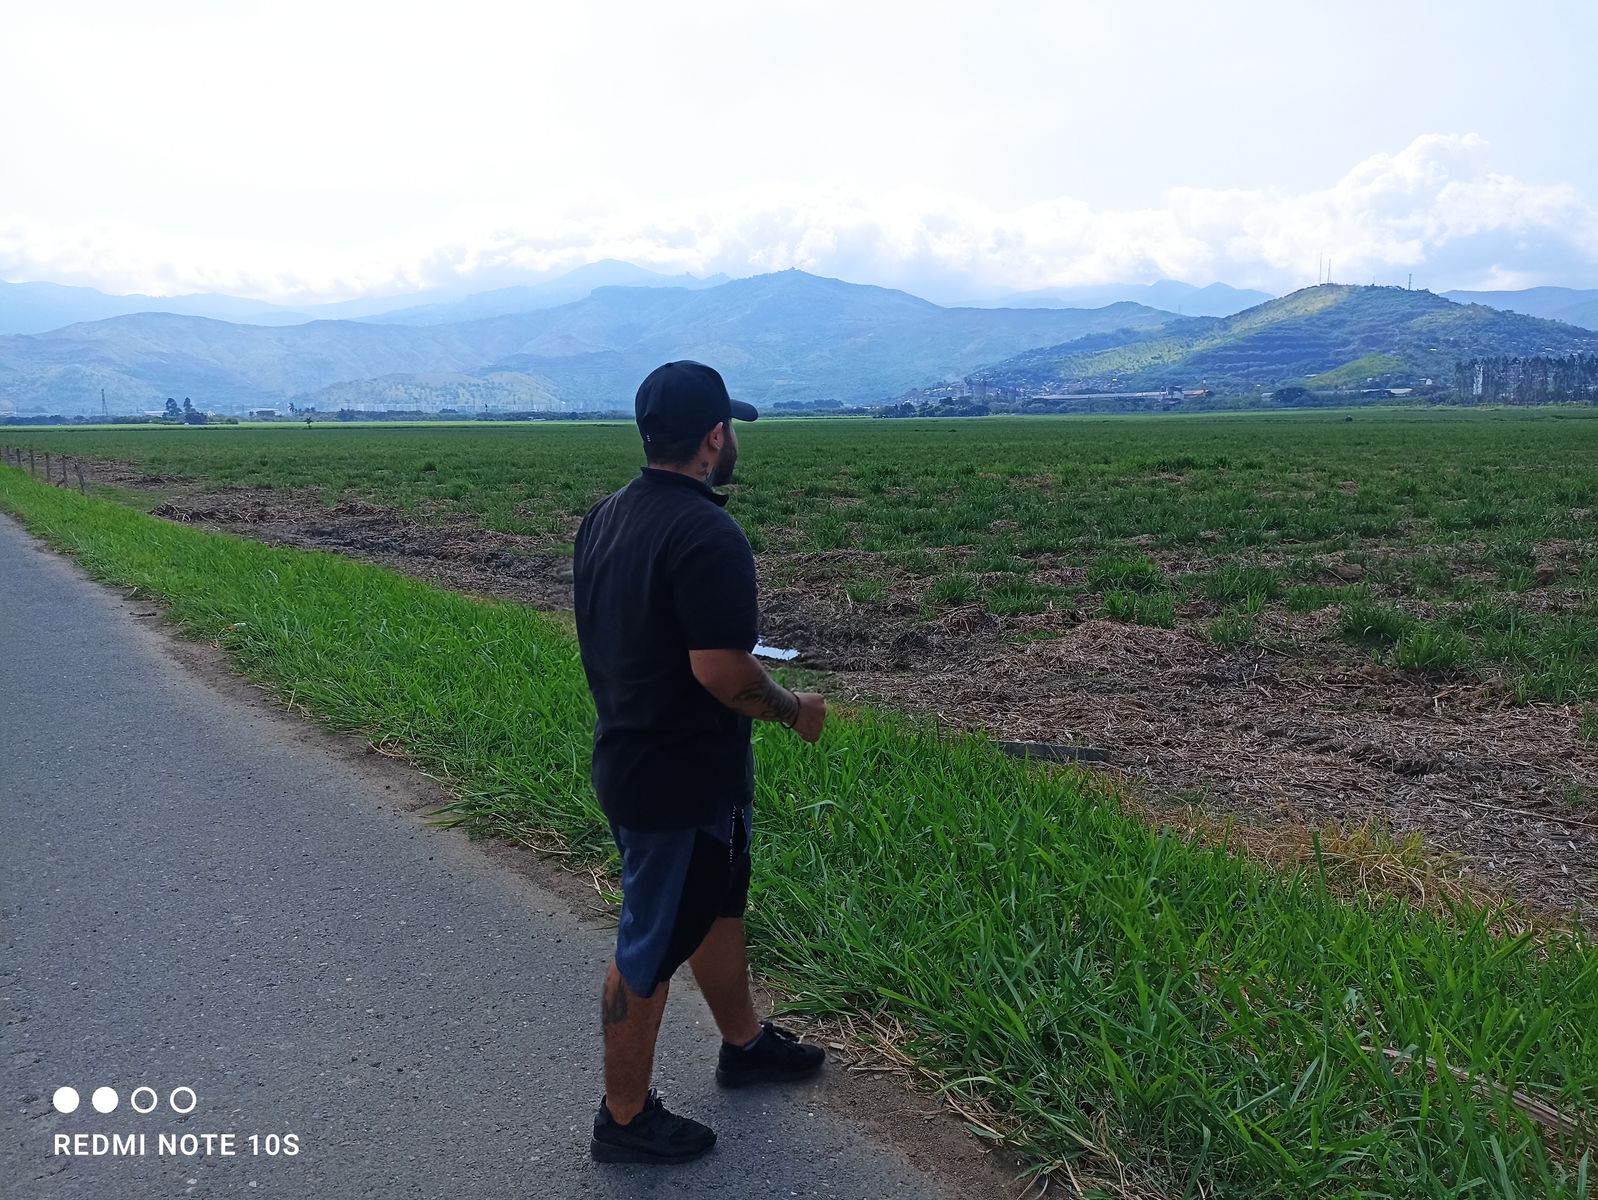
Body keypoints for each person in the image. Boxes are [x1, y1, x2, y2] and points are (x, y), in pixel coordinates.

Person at [573, 360, 829, 1165]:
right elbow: (720, 669)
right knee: (650, 944)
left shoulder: (607, 516)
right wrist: (794, 710)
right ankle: (623, 1118)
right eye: (732, 432)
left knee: (718, 906)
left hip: (651, 759)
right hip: (674, 783)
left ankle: (743, 1045)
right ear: (715, 437)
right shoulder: (708, 533)